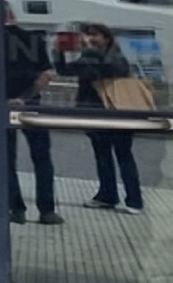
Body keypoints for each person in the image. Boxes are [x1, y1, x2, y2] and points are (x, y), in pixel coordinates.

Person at [61, 23, 143, 214]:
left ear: (106, 38)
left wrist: (91, 51)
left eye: (94, 35)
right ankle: (107, 195)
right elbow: (66, 70)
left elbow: (112, 69)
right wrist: (59, 52)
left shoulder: (116, 57)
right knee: (102, 156)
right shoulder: (87, 57)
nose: (90, 38)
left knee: (124, 155)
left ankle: (134, 200)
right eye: (88, 34)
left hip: (117, 113)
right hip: (93, 113)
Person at [3, 3, 62, 225]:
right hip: (32, 106)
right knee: (42, 157)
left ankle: (16, 209)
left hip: (0, 105)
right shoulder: (33, 39)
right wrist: (26, 98)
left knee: (6, 158)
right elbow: (47, 75)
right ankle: (47, 211)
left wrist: (6, 100)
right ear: (12, 15)